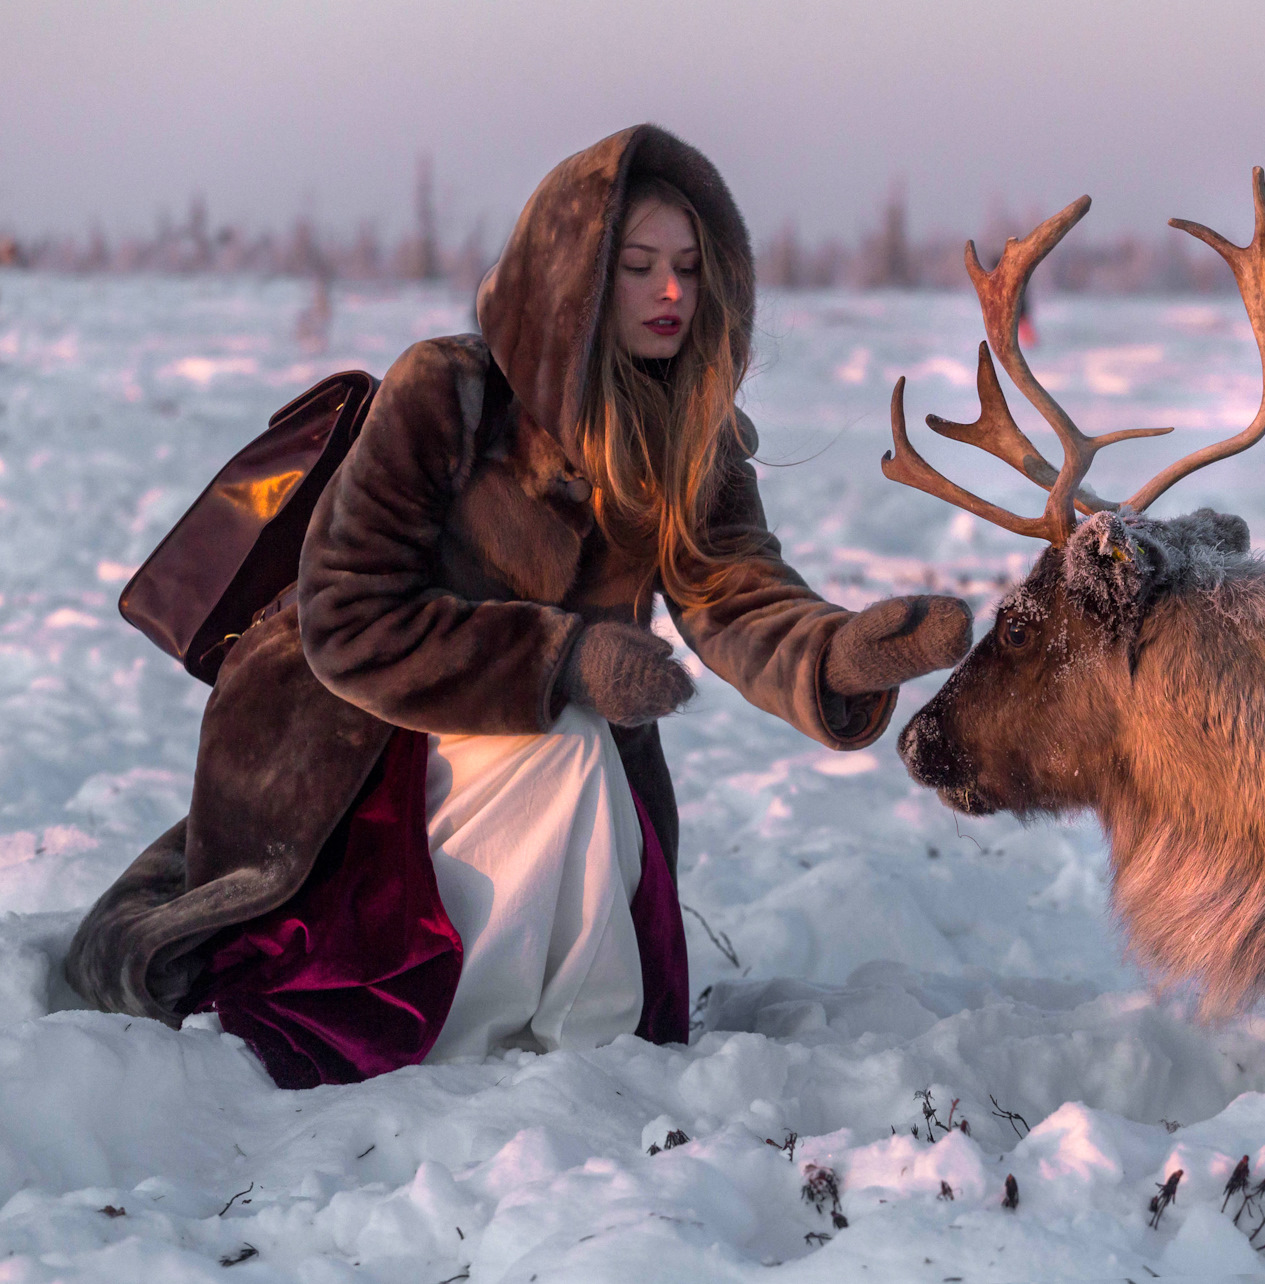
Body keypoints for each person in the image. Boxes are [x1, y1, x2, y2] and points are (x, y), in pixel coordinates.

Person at [64, 125, 971, 1088]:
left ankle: (589, 1064)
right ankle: (490, 1032)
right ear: (571, 275)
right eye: (638, 266)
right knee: (569, 743)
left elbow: (734, 590)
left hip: (557, 759)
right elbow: (346, 616)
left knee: (572, 749)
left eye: (691, 268)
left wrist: (836, 656)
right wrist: (558, 661)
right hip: (353, 757)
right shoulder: (446, 393)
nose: (672, 293)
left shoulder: (687, 435)